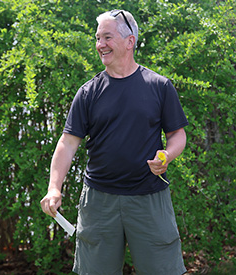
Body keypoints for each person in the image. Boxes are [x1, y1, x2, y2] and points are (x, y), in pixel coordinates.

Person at [40, 9, 188, 275]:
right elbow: (67, 143)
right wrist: (54, 188)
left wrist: (167, 155)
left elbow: (177, 135)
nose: (100, 45)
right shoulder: (88, 92)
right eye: (97, 38)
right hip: (99, 202)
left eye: (107, 37)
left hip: (149, 199)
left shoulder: (159, 86)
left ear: (129, 41)